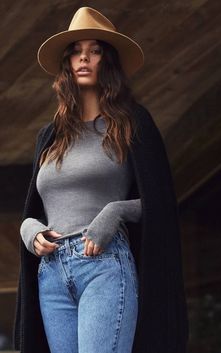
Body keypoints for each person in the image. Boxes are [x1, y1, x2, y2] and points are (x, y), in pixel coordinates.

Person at [13, 6, 189, 353]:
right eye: (76, 52)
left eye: (94, 51)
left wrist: (115, 212)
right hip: (51, 273)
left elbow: (162, 203)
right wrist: (28, 229)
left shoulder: (132, 123)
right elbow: (37, 207)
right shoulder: (50, 135)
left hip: (104, 265)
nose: (84, 59)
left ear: (107, 62)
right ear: (67, 64)